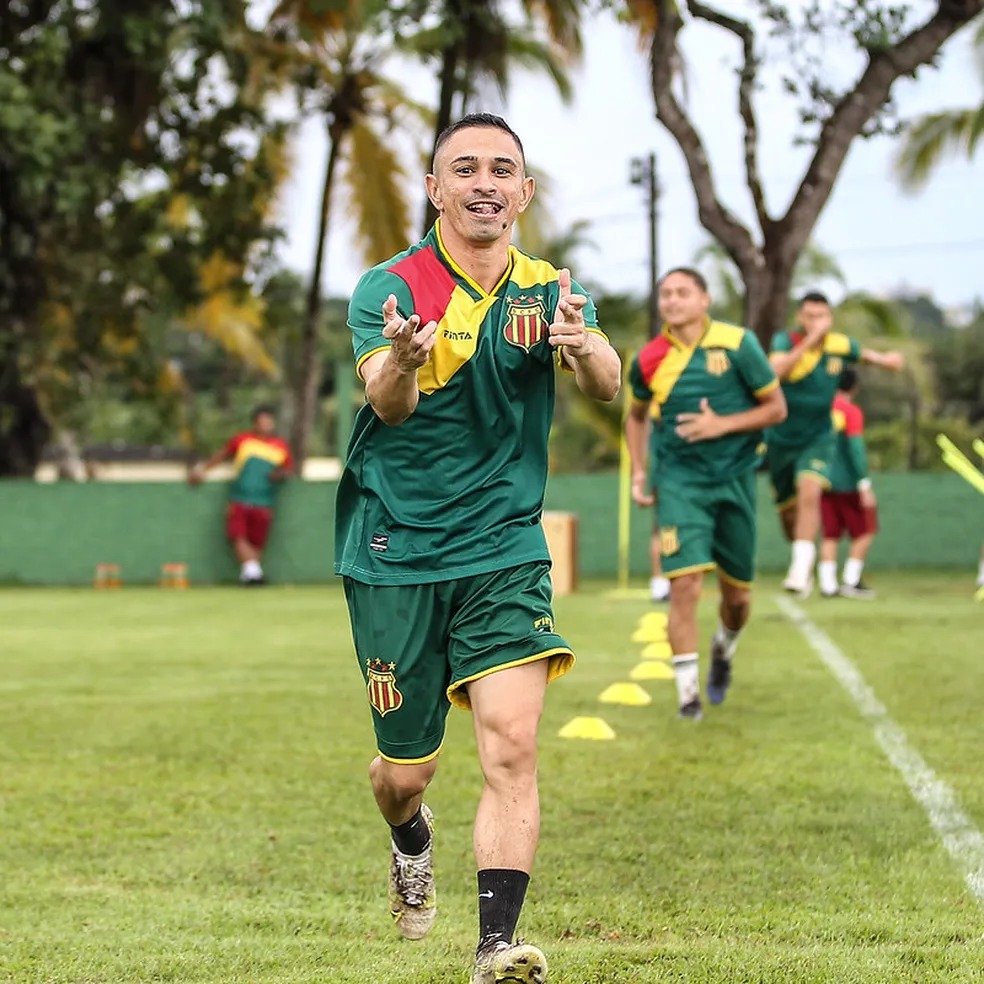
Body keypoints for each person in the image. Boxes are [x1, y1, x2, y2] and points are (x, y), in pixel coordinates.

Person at [334, 114, 621, 984]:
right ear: (436, 189)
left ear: (525, 192)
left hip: (504, 544)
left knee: (510, 744)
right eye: (465, 168)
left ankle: (497, 946)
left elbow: (609, 383)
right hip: (396, 551)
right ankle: (407, 836)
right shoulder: (391, 286)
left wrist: (587, 345)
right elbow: (387, 406)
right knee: (405, 774)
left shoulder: (549, 290)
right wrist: (403, 357)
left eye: (503, 169)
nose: (485, 182)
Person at [625, 268, 787, 719]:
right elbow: (636, 417)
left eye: (682, 293)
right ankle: (688, 698)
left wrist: (722, 425)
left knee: (737, 600)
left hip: (735, 481)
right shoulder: (650, 358)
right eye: (665, 294)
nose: (672, 301)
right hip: (678, 483)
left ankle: (724, 649)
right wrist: (640, 471)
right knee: (686, 585)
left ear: (705, 299)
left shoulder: (739, 344)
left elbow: (776, 408)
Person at [767, 292, 904, 596]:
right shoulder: (785, 342)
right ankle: (802, 554)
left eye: (822, 316)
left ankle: (801, 568)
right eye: (810, 316)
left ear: (830, 318)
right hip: (781, 438)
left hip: (818, 436)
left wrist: (887, 361)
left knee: (810, 490)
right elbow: (776, 372)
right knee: (788, 516)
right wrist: (808, 342)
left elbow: (863, 354)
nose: (817, 322)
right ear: (800, 318)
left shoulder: (838, 346)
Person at [188, 405, 293, 585]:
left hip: (265, 500)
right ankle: (254, 572)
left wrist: (279, 475)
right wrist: (202, 470)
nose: (266, 425)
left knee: (257, 539)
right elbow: (221, 455)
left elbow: (288, 471)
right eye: (262, 422)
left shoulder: (280, 447)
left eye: (269, 422)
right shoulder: (243, 440)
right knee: (237, 534)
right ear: (255, 423)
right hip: (240, 497)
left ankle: (250, 574)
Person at [818, 368, 879, 599]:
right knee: (865, 530)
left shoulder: (821, 411)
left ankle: (827, 584)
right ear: (854, 387)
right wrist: (863, 483)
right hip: (848, 484)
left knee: (830, 534)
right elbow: (855, 449)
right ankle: (851, 581)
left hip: (822, 480)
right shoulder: (850, 412)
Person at [630, 427, 670, 602]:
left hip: (666, 468)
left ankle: (661, 583)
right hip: (669, 470)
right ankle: (661, 582)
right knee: (663, 526)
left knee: (662, 527)